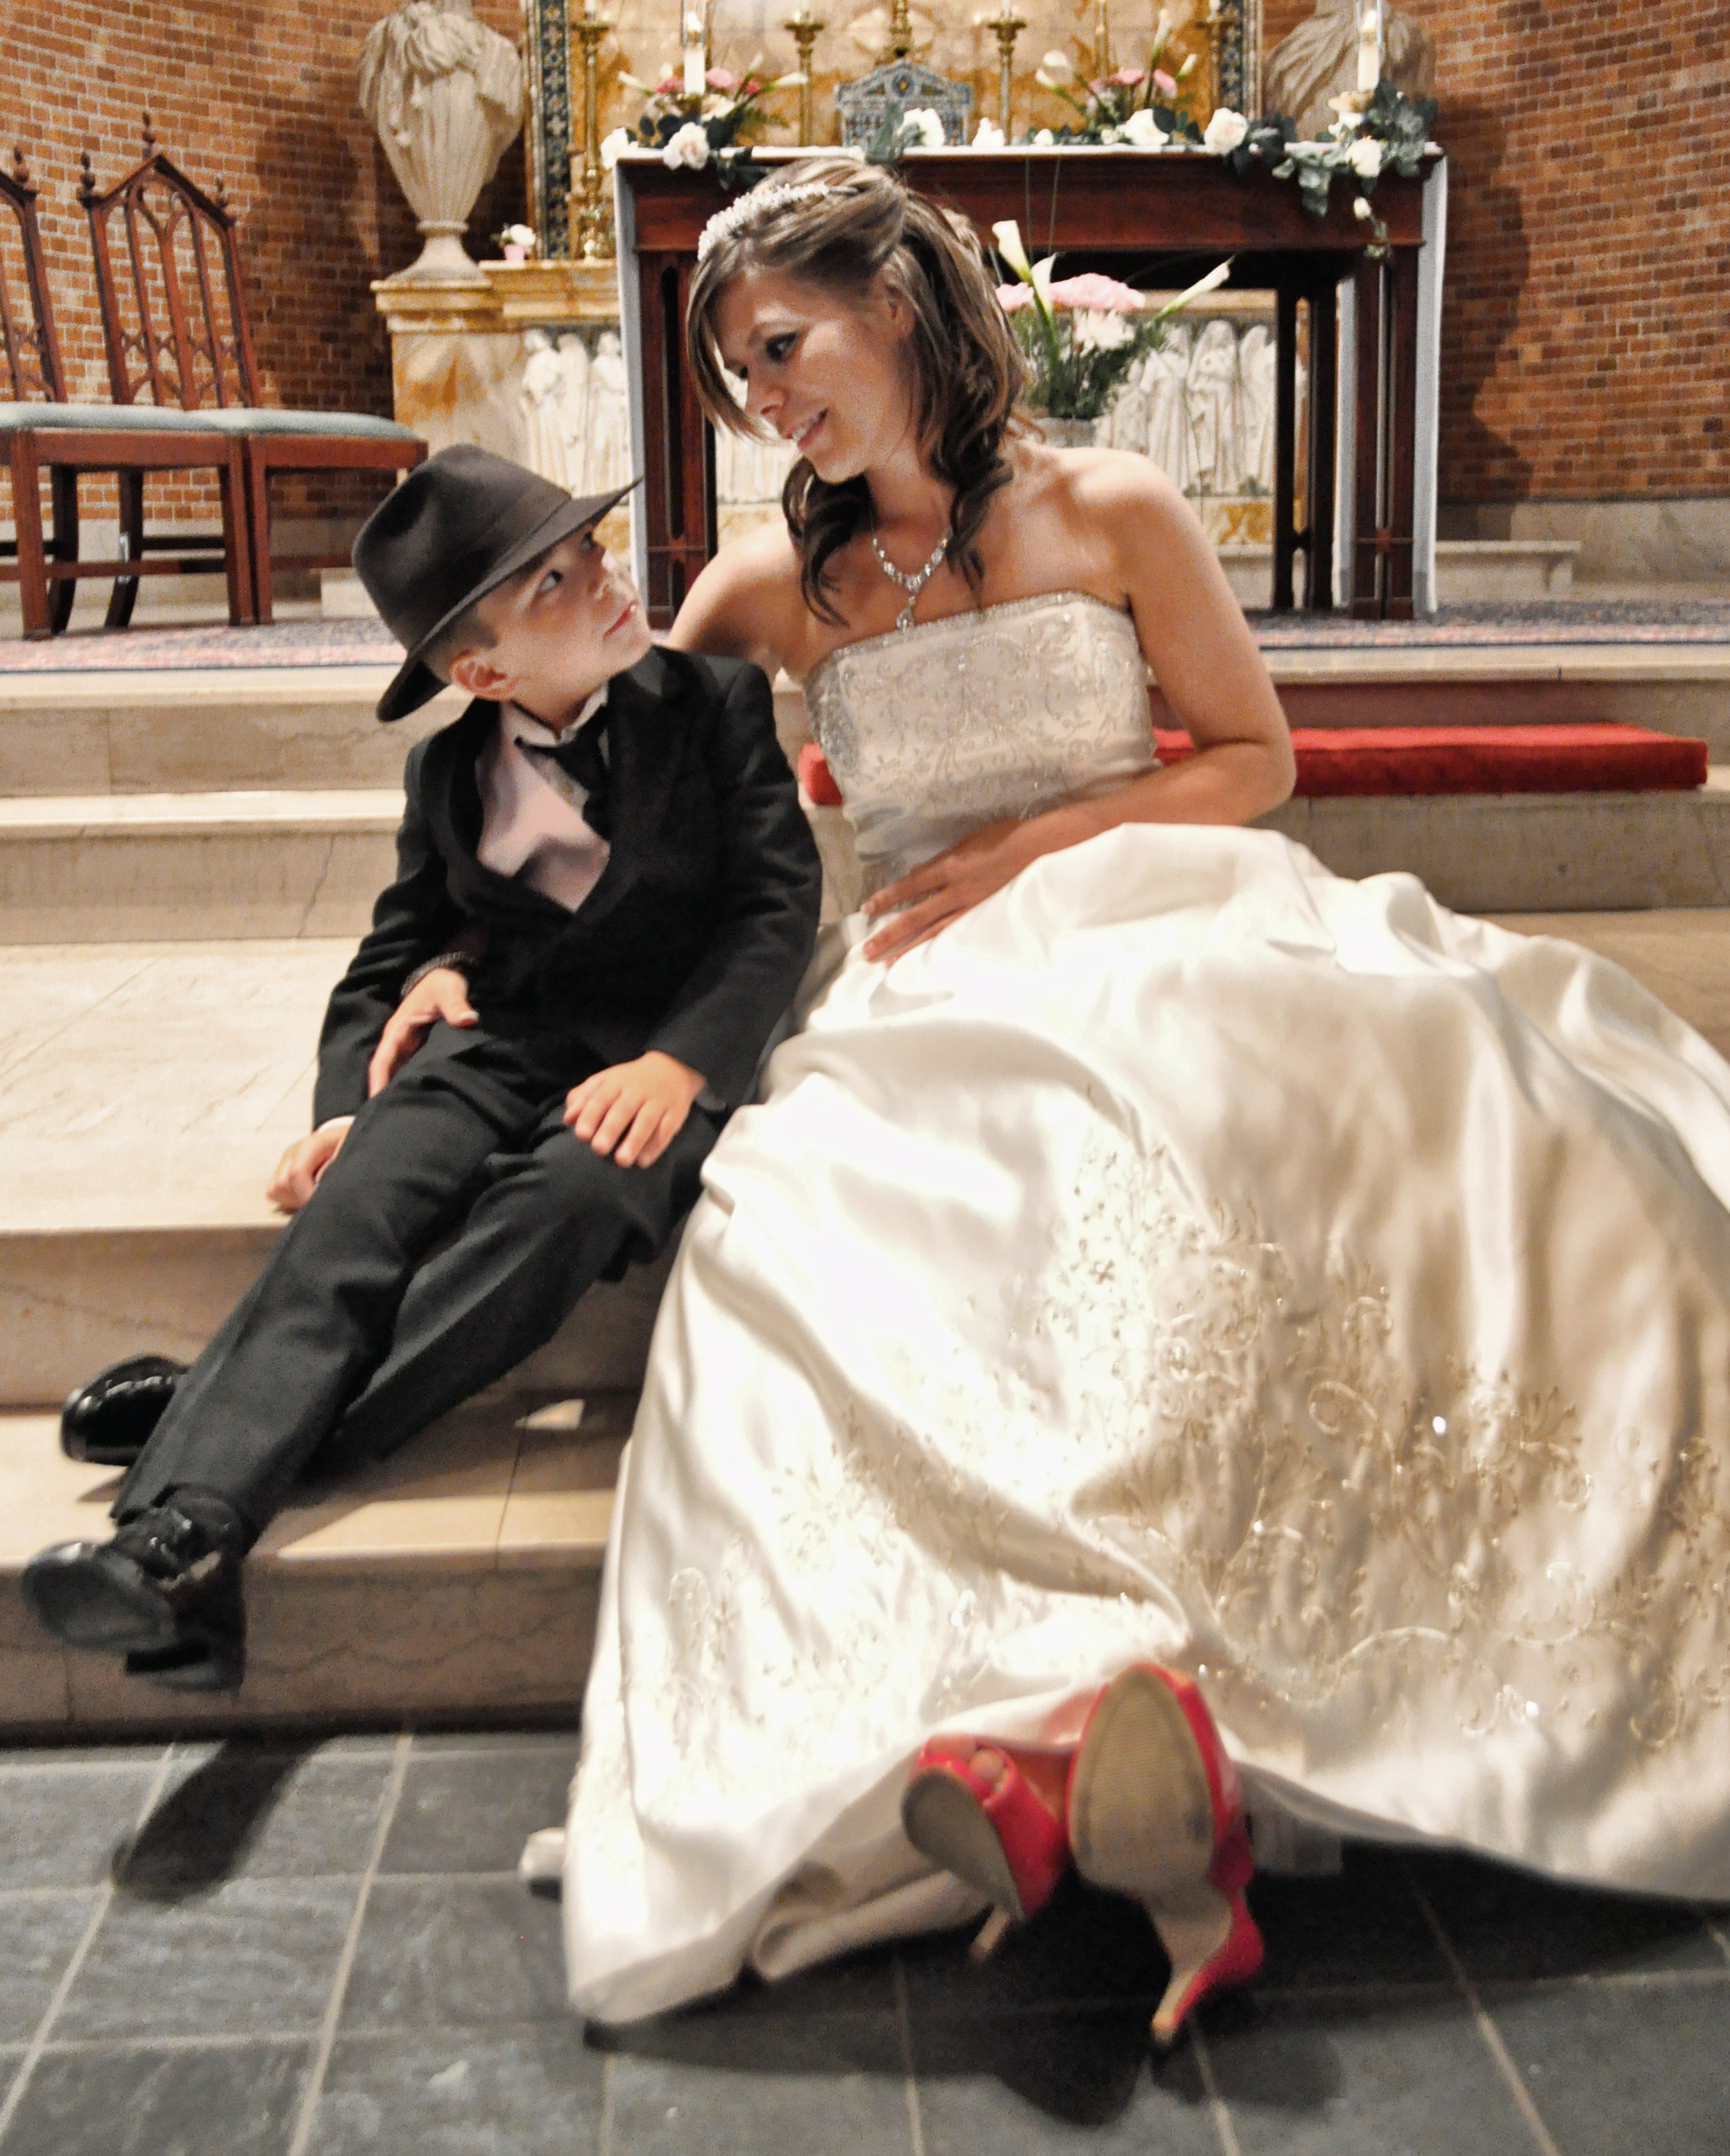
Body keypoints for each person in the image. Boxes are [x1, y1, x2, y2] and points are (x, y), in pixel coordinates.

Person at [544, 155, 1730, 2045]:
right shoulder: (768, 580)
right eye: (736, 379)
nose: (764, 402)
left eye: (781, 347)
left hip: (1153, 898)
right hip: (926, 970)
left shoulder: (1109, 506)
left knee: (1324, 1101)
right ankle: (1054, 1700)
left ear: (902, 305)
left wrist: (1043, 836)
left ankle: (1183, 1692)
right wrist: (456, 958)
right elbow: (589, 812)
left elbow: (1252, 760)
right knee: (833, 1215)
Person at [24, 446, 823, 1693]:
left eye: (590, 555)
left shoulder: (713, 705)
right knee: (362, 1206)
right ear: (482, 671)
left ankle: (210, 1459)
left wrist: (684, 1065)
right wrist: (347, 1104)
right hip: (492, 1040)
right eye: (554, 584)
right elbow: (394, 947)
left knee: (578, 1198)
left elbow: (772, 911)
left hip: (654, 1052)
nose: (606, 582)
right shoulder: (449, 771)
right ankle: (177, 1551)